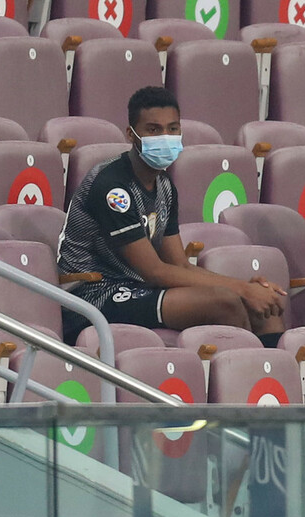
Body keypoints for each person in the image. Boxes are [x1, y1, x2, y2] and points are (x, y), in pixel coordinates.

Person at [58, 86, 285, 346]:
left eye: (172, 129)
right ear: (131, 134)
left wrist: (248, 288)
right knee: (227, 303)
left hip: (138, 288)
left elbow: (180, 265)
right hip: (93, 295)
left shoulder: (165, 186)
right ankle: (236, 368)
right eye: (153, 130)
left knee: (266, 308)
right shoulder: (113, 187)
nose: (164, 137)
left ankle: (268, 370)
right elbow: (155, 271)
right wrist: (242, 289)